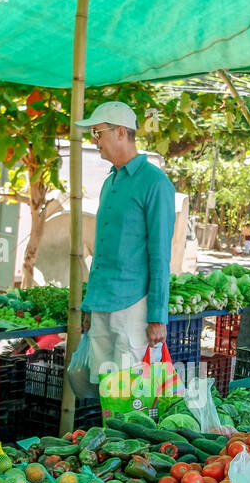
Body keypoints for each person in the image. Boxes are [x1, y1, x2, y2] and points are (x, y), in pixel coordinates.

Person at [72, 100, 174, 381]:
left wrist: (157, 316)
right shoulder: (110, 182)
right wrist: (90, 305)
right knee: (106, 388)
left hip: (134, 307)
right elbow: (102, 250)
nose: (95, 141)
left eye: (98, 133)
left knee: (131, 391)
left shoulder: (155, 183)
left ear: (120, 132)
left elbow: (160, 255)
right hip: (102, 302)